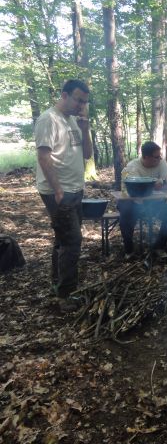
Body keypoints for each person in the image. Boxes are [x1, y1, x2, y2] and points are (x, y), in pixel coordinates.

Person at [34, 79, 92, 312]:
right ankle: (66, 295)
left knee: (62, 239)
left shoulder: (73, 122)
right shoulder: (49, 119)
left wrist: (86, 127)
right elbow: (43, 157)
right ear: (64, 95)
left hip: (75, 188)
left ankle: (56, 285)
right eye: (78, 100)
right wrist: (58, 190)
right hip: (59, 192)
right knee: (72, 242)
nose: (81, 105)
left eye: (85, 102)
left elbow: (87, 154)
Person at [118, 141, 167, 259]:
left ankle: (159, 246)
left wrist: (161, 183)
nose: (160, 159)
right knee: (126, 215)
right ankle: (129, 249)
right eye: (156, 157)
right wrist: (158, 184)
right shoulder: (133, 167)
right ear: (146, 157)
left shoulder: (160, 163)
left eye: (160, 156)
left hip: (153, 202)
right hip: (131, 201)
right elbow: (138, 191)